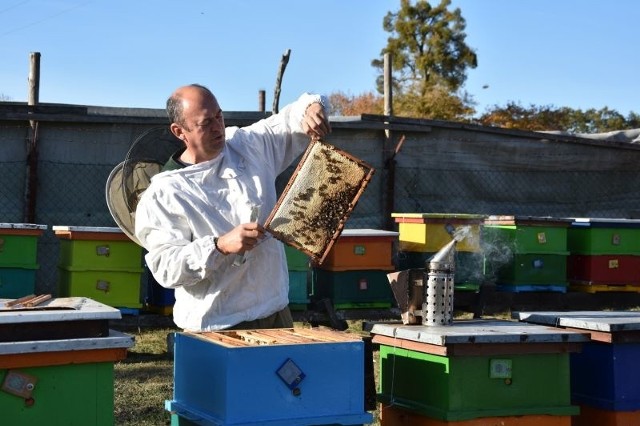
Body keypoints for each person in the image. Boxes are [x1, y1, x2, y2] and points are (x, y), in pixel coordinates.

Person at [134, 84, 330, 332]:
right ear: (179, 131)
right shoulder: (165, 192)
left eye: (219, 116)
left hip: (276, 311)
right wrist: (219, 246)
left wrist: (311, 108)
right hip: (218, 323)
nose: (218, 127)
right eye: (206, 123)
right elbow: (166, 267)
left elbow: (292, 116)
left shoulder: (247, 145)